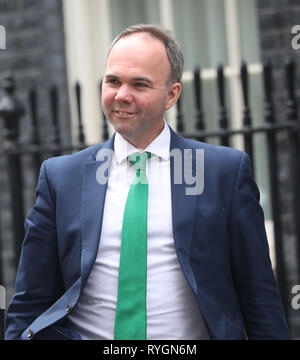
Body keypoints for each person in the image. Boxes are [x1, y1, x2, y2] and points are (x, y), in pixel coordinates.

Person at [5, 24, 290, 340]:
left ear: (171, 95)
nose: (121, 95)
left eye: (139, 84)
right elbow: (30, 301)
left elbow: (259, 297)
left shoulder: (224, 172)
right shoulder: (61, 177)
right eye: (113, 81)